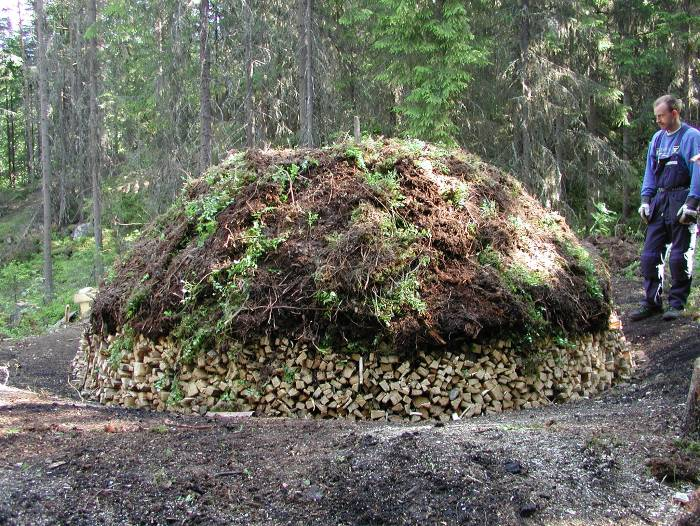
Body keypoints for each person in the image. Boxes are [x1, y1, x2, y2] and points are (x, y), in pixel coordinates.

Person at [631, 95, 700, 321]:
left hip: (682, 198)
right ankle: (652, 303)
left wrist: (692, 203)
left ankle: (677, 304)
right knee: (650, 255)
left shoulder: (691, 137)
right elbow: (650, 172)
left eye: (661, 115)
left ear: (674, 113)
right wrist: (645, 199)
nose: (658, 120)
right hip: (660, 200)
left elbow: (698, 172)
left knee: (679, 256)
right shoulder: (657, 139)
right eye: (656, 116)